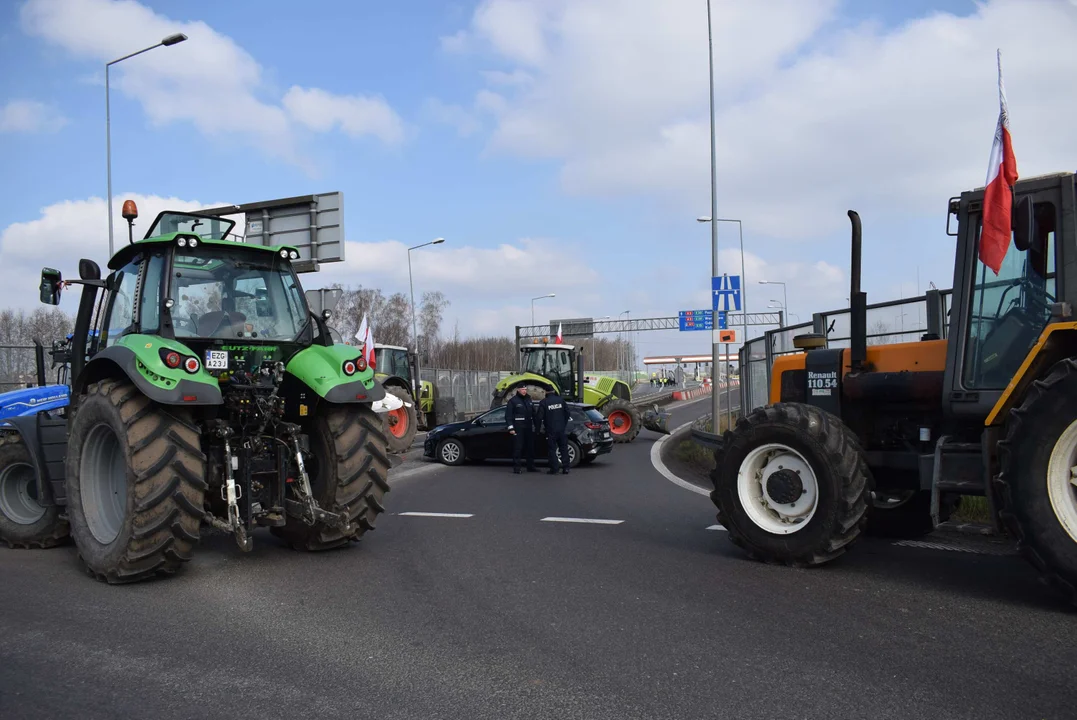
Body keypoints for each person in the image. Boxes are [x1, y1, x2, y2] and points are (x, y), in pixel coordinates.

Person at [538, 385, 572, 475]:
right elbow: (567, 413)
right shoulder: (561, 400)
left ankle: (554, 468)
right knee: (563, 449)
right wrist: (563, 424)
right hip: (561, 429)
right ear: (553, 391)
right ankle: (566, 468)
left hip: (550, 430)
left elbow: (539, 417)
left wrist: (538, 429)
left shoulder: (544, 402)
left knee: (552, 450)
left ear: (546, 392)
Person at [506, 386, 538, 474]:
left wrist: (537, 426)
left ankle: (530, 466)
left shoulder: (528, 400)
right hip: (518, 428)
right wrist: (511, 428)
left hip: (528, 427)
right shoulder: (513, 401)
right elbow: (508, 416)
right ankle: (517, 468)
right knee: (518, 448)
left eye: (525, 389)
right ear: (518, 390)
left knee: (530, 448)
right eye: (523, 389)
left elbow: (534, 414)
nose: (524, 391)